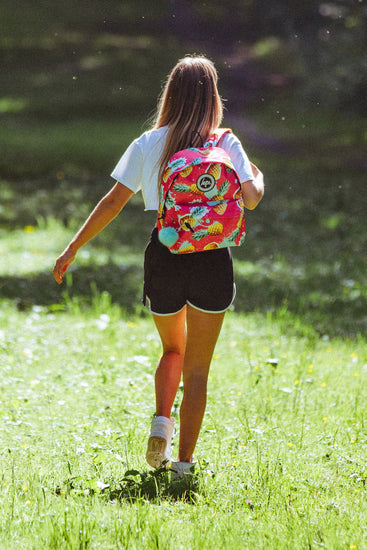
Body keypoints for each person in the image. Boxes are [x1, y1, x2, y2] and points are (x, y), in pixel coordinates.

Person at [53, 55, 264, 478]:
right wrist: (258, 176)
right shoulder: (225, 143)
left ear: (170, 94)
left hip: (165, 254)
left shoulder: (149, 143)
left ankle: (161, 421)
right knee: (198, 369)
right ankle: (184, 467)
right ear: (213, 97)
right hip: (211, 258)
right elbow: (252, 199)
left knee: (172, 349)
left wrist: (72, 247)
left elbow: (113, 201)